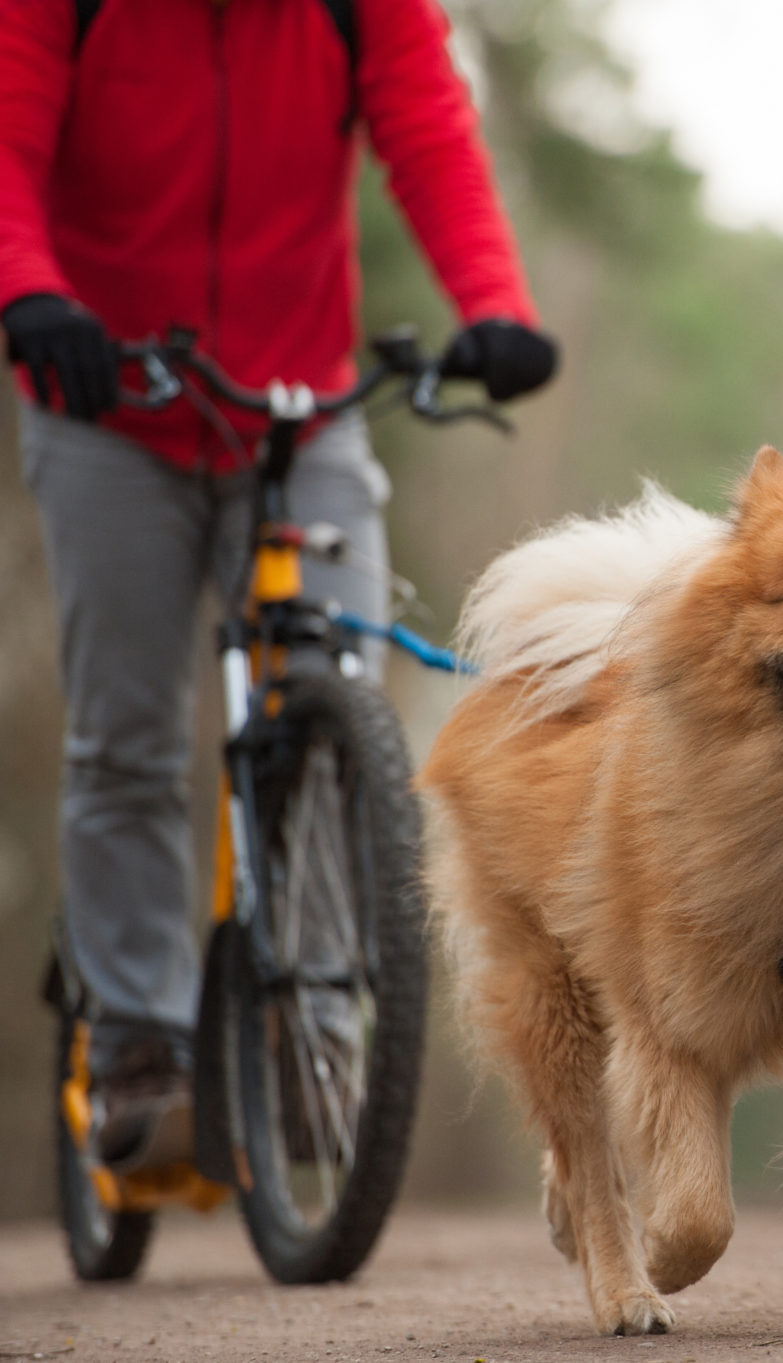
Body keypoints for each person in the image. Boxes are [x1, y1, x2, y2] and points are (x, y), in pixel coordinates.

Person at [0, 0, 557, 1166]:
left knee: (335, 686)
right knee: (129, 734)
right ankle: (141, 1037)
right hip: (107, 405)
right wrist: (29, 291)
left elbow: (431, 137)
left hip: (298, 405)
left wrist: (495, 306)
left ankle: (315, 1028)